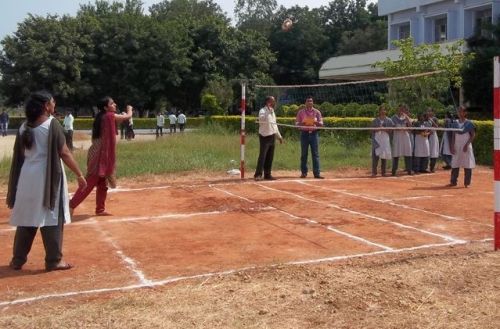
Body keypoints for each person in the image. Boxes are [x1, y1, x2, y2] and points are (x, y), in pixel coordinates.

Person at [7, 91, 87, 271]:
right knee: (52, 218)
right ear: (46, 106)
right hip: (47, 178)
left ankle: (17, 260)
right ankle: (54, 260)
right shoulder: (52, 124)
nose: (54, 104)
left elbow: (19, 156)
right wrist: (80, 174)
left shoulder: (23, 127)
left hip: (27, 177)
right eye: (52, 102)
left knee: (27, 219)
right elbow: (64, 152)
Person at [69, 97, 132, 215]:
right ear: (105, 107)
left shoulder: (103, 117)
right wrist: (129, 109)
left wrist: (122, 115)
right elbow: (126, 117)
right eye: (112, 103)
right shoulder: (108, 116)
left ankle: (100, 209)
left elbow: (118, 120)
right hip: (100, 156)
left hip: (100, 154)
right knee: (91, 181)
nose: (114, 104)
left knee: (103, 183)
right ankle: (71, 205)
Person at [254, 96, 284, 181]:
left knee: (270, 156)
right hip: (264, 136)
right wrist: (268, 112)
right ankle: (258, 174)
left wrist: (279, 137)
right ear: (268, 102)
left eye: (274, 101)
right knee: (262, 156)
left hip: (272, 136)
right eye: (272, 101)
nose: (274, 102)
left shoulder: (272, 111)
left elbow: (274, 125)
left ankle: (267, 174)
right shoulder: (262, 111)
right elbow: (261, 119)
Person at [296, 96, 324, 179]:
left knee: (315, 154)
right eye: (308, 101)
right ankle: (304, 172)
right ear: (305, 103)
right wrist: (303, 123)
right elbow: (296, 124)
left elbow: (321, 124)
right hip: (304, 134)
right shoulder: (301, 112)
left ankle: (317, 173)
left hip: (314, 134)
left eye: (311, 101)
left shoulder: (317, 112)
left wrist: (315, 122)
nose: (309, 102)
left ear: (313, 102)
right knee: (304, 154)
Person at [449, 106, 476, 187]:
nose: (459, 113)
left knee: (467, 164)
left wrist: (466, 145)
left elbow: (473, 135)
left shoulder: (469, 123)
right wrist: (452, 146)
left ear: (465, 113)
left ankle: (467, 183)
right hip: (457, 146)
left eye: (461, 111)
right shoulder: (455, 123)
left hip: (466, 146)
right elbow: (453, 135)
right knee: (455, 163)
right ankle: (453, 181)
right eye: (458, 111)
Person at [371, 105, 394, 177]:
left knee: (384, 156)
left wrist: (384, 129)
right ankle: (374, 172)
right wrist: (378, 129)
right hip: (377, 140)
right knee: (375, 156)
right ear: (379, 111)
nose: (383, 111)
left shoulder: (389, 120)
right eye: (381, 110)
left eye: (384, 110)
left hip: (385, 140)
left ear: (386, 111)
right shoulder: (375, 120)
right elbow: (371, 130)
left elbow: (391, 131)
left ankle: (383, 172)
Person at [391, 104, 413, 176]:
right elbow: (393, 127)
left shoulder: (406, 117)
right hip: (397, 137)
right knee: (396, 154)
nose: (401, 111)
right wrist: (399, 128)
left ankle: (409, 170)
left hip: (405, 137)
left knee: (408, 153)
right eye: (400, 109)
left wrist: (406, 117)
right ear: (398, 109)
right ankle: (394, 171)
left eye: (403, 109)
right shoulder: (393, 118)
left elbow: (410, 126)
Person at [427, 107, 440, 173]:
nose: (428, 112)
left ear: (433, 112)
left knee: (433, 152)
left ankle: (432, 167)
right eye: (427, 111)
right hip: (427, 136)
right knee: (427, 152)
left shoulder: (435, 119)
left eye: (430, 111)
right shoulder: (426, 119)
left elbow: (437, 127)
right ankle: (426, 167)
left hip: (433, 137)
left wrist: (431, 120)